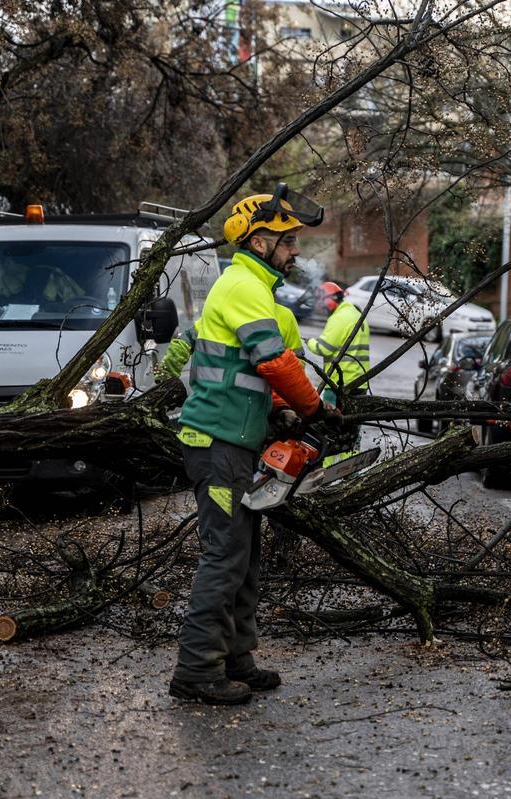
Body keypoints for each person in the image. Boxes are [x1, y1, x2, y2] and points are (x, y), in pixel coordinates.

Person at [167, 186, 338, 705]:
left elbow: (247, 377)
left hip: (235, 440)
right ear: (260, 241)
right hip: (216, 443)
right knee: (223, 557)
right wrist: (313, 409)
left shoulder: (250, 286)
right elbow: (274, 363)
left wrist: (281, 412)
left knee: (244, 556)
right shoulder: (242, 284)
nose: (295, 252)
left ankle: (237, 658)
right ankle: (196, 672)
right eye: (287, 242)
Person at [306, 281, 371, 465]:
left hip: (339, 385)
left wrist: (309, 341)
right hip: (359, 383)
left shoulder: (340, 317)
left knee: (330, 430)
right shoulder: (356, 314)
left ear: (331, 300)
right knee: (351, 432)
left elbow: (324, 348)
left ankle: (325, 471)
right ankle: (349, 470)